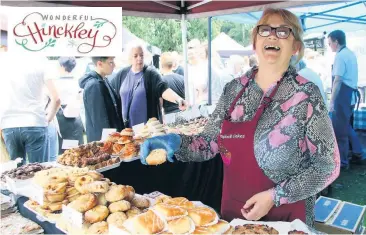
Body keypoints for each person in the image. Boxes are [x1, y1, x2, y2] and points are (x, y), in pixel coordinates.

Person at [140, 8, 340, 226]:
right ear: (254, 43)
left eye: (284, 31)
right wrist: (177, 142)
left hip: (287, 218)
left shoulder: (306, 95)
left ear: (296, 47)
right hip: (236, 213)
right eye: (265, 30)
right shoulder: (233, 90)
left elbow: (327, 166)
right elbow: (208, 143)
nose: (273, 35)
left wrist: (275, 196)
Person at [110, 41, 187, 128]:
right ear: (129, 58)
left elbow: (163, 89)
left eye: (141, 55)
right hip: (127, 129)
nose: (139, 58)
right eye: (135, 56)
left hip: (148, 129)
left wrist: (178, 99)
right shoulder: (122, 74)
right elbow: (111, 92)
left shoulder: (151, 73)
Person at [0, 56, 60, 163]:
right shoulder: (41, 61)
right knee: (40, 171)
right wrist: (49, 118)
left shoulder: (3, 61)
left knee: (17, 172)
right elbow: (56, 99)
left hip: (9, 124)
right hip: (35, 122)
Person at [328, 30, 364, 169]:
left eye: (330, 43)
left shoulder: (341, 56)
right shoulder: (350, 53)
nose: (330, 46)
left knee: (340, 131)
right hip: (350, 95)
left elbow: (337, 80)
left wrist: (332, 101)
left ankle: (343, 162)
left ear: (336, 42)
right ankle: (358, 152)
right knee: (346, 126)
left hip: (343, 95)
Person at [79, 57, 123, 142]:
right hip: (104, 143)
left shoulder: (103, 80)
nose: (114, 65)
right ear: (100, 64)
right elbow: (100, 121)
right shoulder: (94, 85)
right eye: (110, 62)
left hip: (111, 137)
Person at [54, 57, 85, 154]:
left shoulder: (56, 81)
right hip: (76, 116)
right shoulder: (78, 80)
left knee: (64, 150)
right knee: (77, 147)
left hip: (61, 115)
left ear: (62, 66)